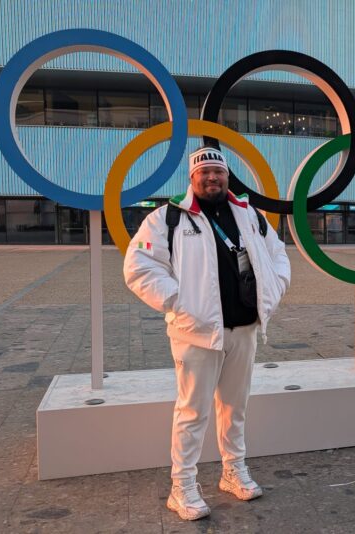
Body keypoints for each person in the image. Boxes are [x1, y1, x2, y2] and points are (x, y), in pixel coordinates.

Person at [123, 146, 291, 521]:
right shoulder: (168, 219)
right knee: (192, 412)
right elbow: (138, 268)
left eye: (218, 173)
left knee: (235, 407)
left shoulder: (250, 215)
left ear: (227, 177)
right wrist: (179, 302)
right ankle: (181, 487)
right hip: (195, 334)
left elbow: (278, 255)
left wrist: (274, 289)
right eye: (204, 173)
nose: (212, 178)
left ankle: (234, 471)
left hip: (244, 329)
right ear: (192, 178)